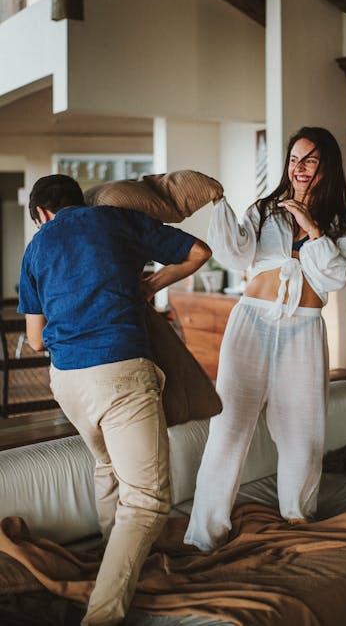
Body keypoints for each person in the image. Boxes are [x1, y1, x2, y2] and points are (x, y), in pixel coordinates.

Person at [18, 174, 210, 626]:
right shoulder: (117, 219)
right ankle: (102, 616)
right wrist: (150, 286)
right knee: (147, 500)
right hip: (121, 371)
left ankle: (114, 563)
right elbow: (199, 252)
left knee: (108, 468)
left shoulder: (37, 247)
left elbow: (34, 339)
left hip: (68, 383)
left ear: (43, 213)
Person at [184, 126, 346, 552]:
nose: (298, 169)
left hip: (302, 328)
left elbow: (336, 276)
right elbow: (233, 252)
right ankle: (203, 535)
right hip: (252, 323)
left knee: (303, 431)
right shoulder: (265, 209)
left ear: (327, 166)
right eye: (293, 160)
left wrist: (311, 227)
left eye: (310, 160)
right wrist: (218, 203)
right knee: (228, 425)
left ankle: (297, 517)